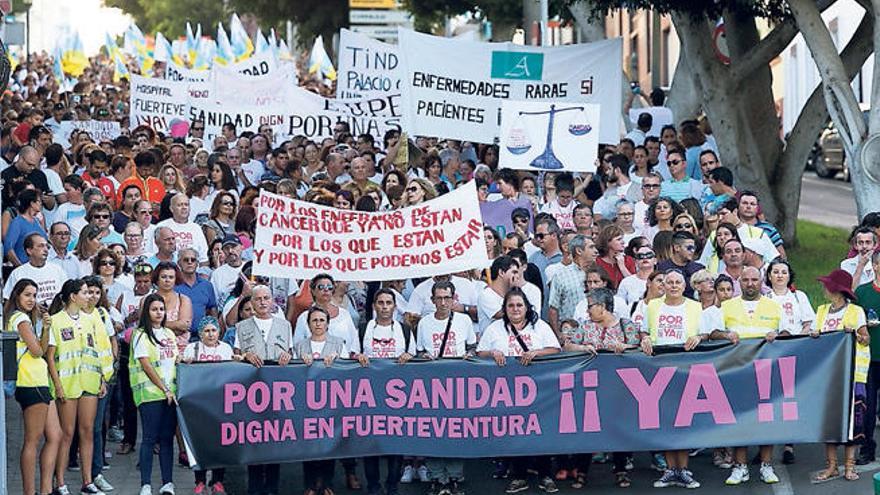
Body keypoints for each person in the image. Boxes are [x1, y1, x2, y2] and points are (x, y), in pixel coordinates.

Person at [477, 288, 561, 494]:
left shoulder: (539, 326)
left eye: (519, 305)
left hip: (540, 390)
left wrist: (536, 353)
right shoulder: (495, 328)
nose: (515, 309)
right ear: (505, 309)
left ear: (527, 307)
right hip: (507, 391)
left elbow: (556, 349)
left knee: (541, 432)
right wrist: (492, 352)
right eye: (511, 305)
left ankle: (545, 475)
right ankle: (519, 476)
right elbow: (480, 351)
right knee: (515, 435)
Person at [710, 266, 783, 484]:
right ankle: (740, 466)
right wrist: (726, 334)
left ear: (762, 281)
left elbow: (790, 332)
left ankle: (766, 466)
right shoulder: (726, 306)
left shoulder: (774, 305)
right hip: (737, 372)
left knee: (766, 419)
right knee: (739, 420)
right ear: (738, 282)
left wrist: (778, 334)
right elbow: (712, 333)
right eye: (745, 280)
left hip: (767, 371)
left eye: (754, 279)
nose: (750, 283)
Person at [637, 269, 710, 489]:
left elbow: (705, 333)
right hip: (660, 368)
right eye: (669, 282)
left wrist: (698, 337)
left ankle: (684, 469)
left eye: (678, 282)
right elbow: (644, 332)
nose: (674, 286)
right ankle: (670, 470)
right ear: (663, 285)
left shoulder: (695, 307)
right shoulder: (652, 306)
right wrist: (646, 338)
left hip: (686, 369)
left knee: (684, 421)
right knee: (666, 419)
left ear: (685, 285)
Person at [565, 287, 639, 488]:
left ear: (603, 307)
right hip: (589, 388)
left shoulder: (626, 326)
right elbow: (568, 345)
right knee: (587, 428)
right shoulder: (586, 327)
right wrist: (582, 348)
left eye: (590, 306)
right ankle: (582, 471)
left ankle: (620, 468)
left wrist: (626, 348)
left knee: (619, 428)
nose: (587, 310)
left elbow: (638, 347)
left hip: (619, 388)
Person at [46, 278, 114, 495]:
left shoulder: (91, 320)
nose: (89, 297)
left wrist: (103, 378)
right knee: (67, 433)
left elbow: (100, 350)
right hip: (66, 384)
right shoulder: (56, 321)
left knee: (87, 431)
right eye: (85, 293)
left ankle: (87, 482)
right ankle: (61, 483)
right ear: (73, 296)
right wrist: (57, 385)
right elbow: (50, 357)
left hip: (90, 382)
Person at [812, 269, 870, 482]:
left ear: (836, 290)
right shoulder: (820, 311)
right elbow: (815, 339)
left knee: (854, 419)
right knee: (830, 421)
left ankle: (849, 466)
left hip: (852, 374)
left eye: (827, 285)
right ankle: (832, 466)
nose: (823, 288)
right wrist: (814, 335)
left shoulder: (855, 312)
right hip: (828, 376)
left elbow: (865, 338)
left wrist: (854, 333)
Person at [234, 285, 293, 495]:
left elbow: (290, 353)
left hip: (277, 390)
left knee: (274, 440)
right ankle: (255, 488)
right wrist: (245, 356)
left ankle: (272, 488)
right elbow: (235, 355)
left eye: (266, 298)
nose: (262, 302)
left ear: (272, 300)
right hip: (251, 389)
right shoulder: (242, 326)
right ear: (251, 302)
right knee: (254, 439)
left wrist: (287, 356)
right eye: (257, 298)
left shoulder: (284, 325)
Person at [7, 278, 62, 495]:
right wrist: (42, 332)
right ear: (17, 296)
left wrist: (46, 327)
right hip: (30, 381)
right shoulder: (20, 318)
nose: (32, 299)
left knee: (55, 435)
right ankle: (29, 491)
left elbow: (43, 346)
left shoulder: (25, 319)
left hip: (39, 381)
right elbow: (37, 351)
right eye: (27, 295)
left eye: (34, 295)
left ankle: (46, 489)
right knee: (32, 439)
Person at [129, 293, 179, 495]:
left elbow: (174, 361)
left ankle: (168, 483)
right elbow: (147, 366)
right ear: (147, 312)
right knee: (149, 439)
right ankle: (146, 484)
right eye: (154, 309)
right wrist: (164, 389)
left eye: (161, 309)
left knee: (167, 439)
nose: (158, 313)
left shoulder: (169, 333)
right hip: (150, 395)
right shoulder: (140, 334)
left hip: (170, 395)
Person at [182, 317, 231, 495]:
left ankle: (218, 480)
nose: (211, 334)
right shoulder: (191, 348)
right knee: (199, 442)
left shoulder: (226, 349)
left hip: (220, 402)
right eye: (207, 331)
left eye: (214, 330)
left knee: (221, 442)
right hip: (198, 402)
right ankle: (200, 480)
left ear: (219, 332)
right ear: (201, 333)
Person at [294, 274, 360, 355]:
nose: (326, 290)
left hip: (343, 364)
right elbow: (297, 347)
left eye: (329, 287)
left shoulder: (344, 314)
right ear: (313, 291)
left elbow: (354, 343)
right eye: (321, 287)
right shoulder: (304, 317)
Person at [856, 251, 880, 465]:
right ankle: (867, 448)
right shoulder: (863, 292)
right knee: (869, 407)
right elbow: (852, 319)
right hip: (869, 359)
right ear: (874, 266)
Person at [3, 232, 69, 306]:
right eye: (41, 246)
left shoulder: (57, 270)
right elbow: (8, 300)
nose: (46, 250)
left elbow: (68, 294)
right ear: (29, 250)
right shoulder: (18, 273)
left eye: (47, 246)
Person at [175, 248, 218, 342]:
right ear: (179, 263)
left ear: (197, 263)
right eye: (186, 260)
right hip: (179, 337)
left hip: (203, 337)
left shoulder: (207, 285)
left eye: (193, 260)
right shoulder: (173, 285)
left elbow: (212, 311)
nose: (190, 262)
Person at [156, 193, 209, 263]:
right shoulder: (162, 226)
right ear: (171, 208)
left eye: (186, 204)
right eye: (179, 205)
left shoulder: (196, 228)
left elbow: (204, 258)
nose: (184, 207)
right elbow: (155, 253)